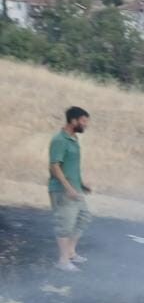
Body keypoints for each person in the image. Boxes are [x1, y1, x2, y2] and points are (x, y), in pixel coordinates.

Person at [48, 106, 93, 272]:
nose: (85, 125)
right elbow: (55, 166)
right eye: (83, 121)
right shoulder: (59, 140)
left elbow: (72, 166)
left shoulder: (73, 139)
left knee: (83, 218)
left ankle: (71, 253)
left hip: (75, 189)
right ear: (73, 121)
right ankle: (63, 261)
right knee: (65, 225)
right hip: (62, 190)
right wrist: (67, 187)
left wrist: (81, 184)